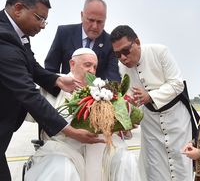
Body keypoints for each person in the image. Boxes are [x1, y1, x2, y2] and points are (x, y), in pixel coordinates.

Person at [0, 0, 102, 181]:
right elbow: (29, 94)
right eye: (39, 18)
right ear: (19, 9)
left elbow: (32, 65)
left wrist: (56, 80)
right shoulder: (3, 39)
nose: (42, 25)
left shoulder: (17, 35)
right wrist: (71, 131)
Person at [25, 48, 141, 181]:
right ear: (72, 64)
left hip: (101, 149)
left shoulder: (104, 90)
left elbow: (117, 127)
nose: (92, 70)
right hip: (63, 148)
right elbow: (30, 109)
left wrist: (126, 123)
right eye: (87, 65)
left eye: (95, 67)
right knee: (62, 169)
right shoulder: (53, 84)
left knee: (127, 162)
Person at [110, 25, 193, 181]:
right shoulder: (122, 67)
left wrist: (150, 96)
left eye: (126, 51)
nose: (123, 57)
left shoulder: (159, 51)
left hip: (176, 119)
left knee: (181, 164)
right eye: (117, 54)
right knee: (154, 169)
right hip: (150, 125)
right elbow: (129, 96)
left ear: (138, 42)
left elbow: (177, 84)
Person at [44, 0, 121, 82]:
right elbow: (50, 69)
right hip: (64, 92)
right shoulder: (64, 33)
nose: (95, 26)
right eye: (91, 20)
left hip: (96, 93)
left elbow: (114, 78)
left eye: (99, 22)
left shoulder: (110, 43)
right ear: (82, 15)